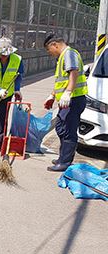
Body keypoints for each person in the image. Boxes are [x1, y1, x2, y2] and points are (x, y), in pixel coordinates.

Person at [43, 34, 88, 172]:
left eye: (49, 50)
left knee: (67, 130)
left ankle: (65, 162)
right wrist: (52, 95)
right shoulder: (63, 56)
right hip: (67, 100)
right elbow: (61, 81)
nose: (50, 53)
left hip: (73, 100)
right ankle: (62, 157)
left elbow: (73, 73)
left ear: (54, 45)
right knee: (61, 127)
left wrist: (68, 92)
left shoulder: (68, 54)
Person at [0, 37, 25, 152]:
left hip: (7, 93)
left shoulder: (18, 60)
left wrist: (17, 90)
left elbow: (18, 76)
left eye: (6, 54)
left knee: (3, 118)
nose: (4, 56)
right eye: (2, 54)